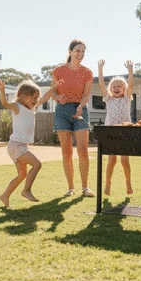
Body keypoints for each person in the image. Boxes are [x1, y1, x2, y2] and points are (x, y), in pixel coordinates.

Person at [0, 79, 61, 208]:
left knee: (22, 175)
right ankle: (26, 191)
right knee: (37, 164)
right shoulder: (18, 107)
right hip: (16, 145)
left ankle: (5, 196)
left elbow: (45, 97)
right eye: (33, 98)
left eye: (36, 98)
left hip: (19, 146)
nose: (36, 100)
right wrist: (2, 91)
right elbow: (5, 103)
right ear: (23, 97)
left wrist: (55, 87)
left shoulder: (32, 108)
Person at [51, 39, 95, 198]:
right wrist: (59, 98)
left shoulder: (87, 72)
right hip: (62, 110)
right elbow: (53, 93)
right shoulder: (58, 70)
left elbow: (86, 94)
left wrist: (81, 106)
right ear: (70, 52)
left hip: (80, 110)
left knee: (83, 151)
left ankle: (85, 187)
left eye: (83, 51)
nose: (80, 54)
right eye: (77, 51)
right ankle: (70, 188)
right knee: (67, 152)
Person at [98, 59, 134, 195]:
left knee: (125, 161)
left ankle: (128, 183)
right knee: (111, 161)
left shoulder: (126, 98)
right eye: (114, 86)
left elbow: (131, 85)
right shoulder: (109, 99)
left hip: (125, 133)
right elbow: (101, 84)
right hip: (111, 133)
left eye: (120, 86)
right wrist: (101, 70)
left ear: (124, 89)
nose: (117, 88)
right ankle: (107, 185)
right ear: (110, 89)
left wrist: (130, 71)